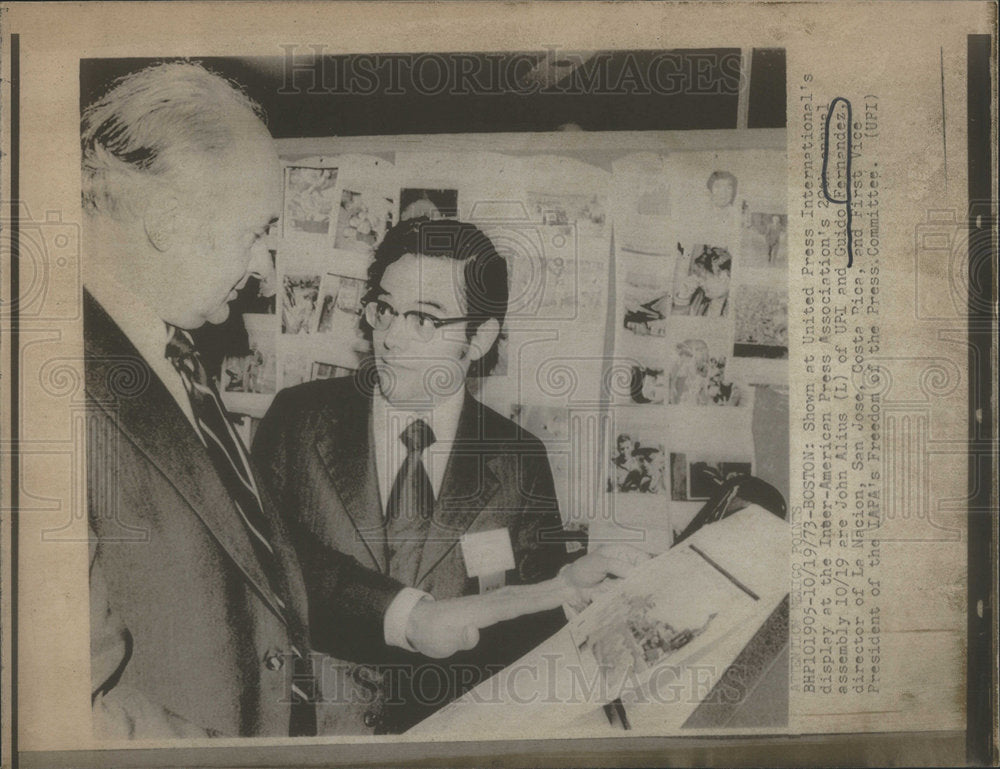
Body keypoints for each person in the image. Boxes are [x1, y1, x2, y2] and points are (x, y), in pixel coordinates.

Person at [83, 62, 625, 740]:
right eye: (255, 232)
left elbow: (271, 565)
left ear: (481, 338)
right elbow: (67, 709)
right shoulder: (60, 377)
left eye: (425, 319)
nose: (266, 269)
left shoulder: (175, 359)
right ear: (164, 218)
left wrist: (414, 615)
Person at [255, 217, 605, 733]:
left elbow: (533, 633)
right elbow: (262, 570)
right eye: (385, 310)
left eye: (424, 319)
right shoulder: (297, 419)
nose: (391, 338)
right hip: (310, 736)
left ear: (480, 337)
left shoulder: (518, 458)